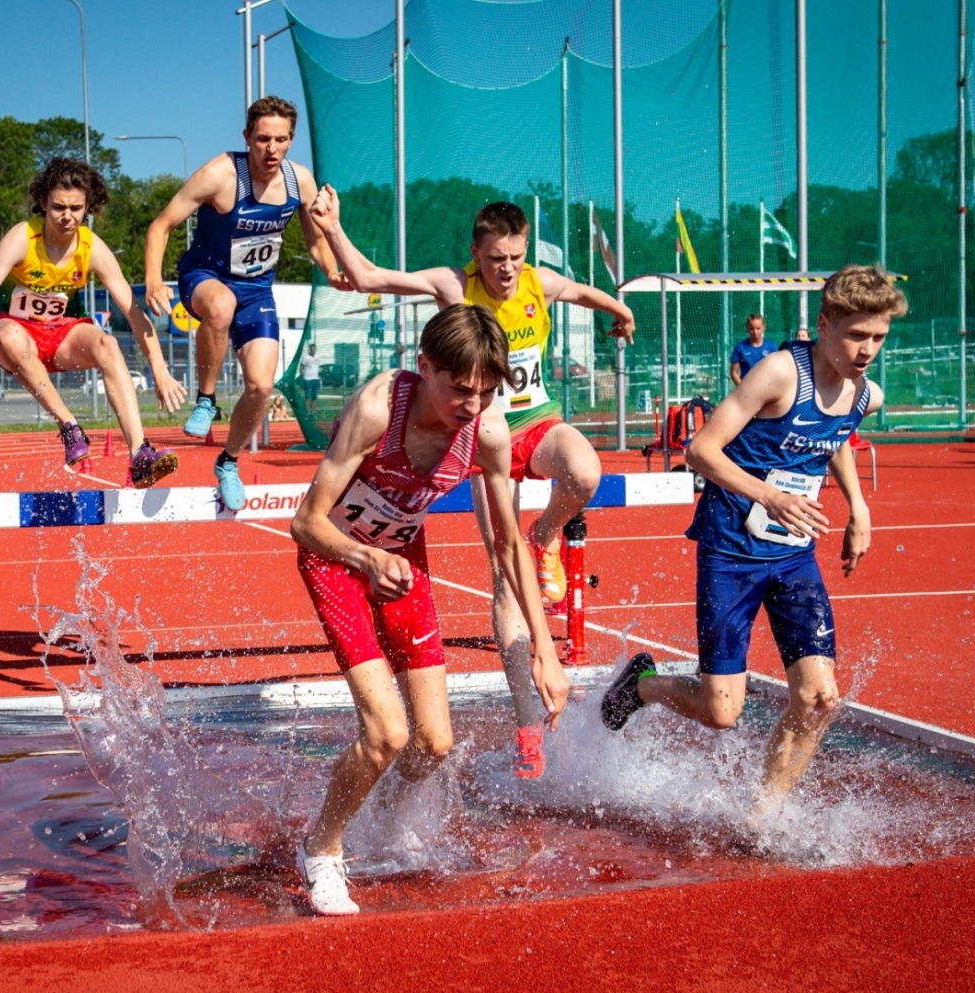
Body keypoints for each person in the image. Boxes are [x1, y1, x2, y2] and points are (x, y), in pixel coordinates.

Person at [310, 190, 629, 779]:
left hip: (526, 426)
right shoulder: (452, 288)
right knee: (501, 576)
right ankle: (527, 724)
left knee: (582, 475)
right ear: (475, 254)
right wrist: (331, 229)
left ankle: (548, 536)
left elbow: (583, 293)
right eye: (496, 259)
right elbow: (367, 275)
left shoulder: (538, 284)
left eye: (515, 257)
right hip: (468, 444)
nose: (506, 269)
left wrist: (620, 310)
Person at [601, 264, 902, 820]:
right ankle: (642, 684)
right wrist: (771, 495)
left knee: (818, 699)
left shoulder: (866, 394)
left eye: (879, 337)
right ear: (825, 323)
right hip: (731, 551)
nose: (867, 350)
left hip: (793, 557)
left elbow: (835, 438)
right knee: (722, 711)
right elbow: (701, 451)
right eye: (857, 335)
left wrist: (859, 508)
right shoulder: (780, 373)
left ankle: (763, 817)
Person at [289, 303, 563, 915]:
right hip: (337, 559)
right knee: (387, 731)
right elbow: (304, 523)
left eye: (487, 392)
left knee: (434, 743)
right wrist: (363, 559)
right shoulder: (377, 411)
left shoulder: (488, 430)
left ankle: (374, 815)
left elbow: (509, 543)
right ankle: (322, 848)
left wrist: (545, 651)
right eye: (460, 390)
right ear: (424, 367)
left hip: (403, 562)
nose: (472, 405)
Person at [144, 97, 348, 510]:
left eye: (281, 140)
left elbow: (315, 241)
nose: (271, 149)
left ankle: (229, 461)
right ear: (247, 138)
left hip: (257, 290)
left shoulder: (299, 182)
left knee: (260, 385)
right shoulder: (220, 174)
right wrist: (152, 278)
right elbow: (161, 224)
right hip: (206, 277)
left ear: (291, 140)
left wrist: (332, 271)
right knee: (219, 307)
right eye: (262, 139)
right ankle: (206, 400)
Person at [0, 157, 184, 486]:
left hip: (62, 338)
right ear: (42, 203)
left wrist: (160, 369)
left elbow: (134, 313)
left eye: (76, 208)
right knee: (7, 334)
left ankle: (140, 454)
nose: (67, 217)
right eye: (58, 207)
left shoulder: (92, 248)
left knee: (108, 342)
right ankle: (69, 426)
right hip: (17, 337)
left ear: (87, 207)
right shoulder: (23, 237)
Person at [730, 314, 775, 387]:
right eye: (752, 328)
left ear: (763, 327)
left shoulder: (771, 346)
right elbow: (734, 372)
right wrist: (742, 388)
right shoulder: (740, 347)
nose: (755, 331)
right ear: (747, 328)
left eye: (758, 328)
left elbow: (775, 370)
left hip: (767, 389)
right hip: (747, 389)